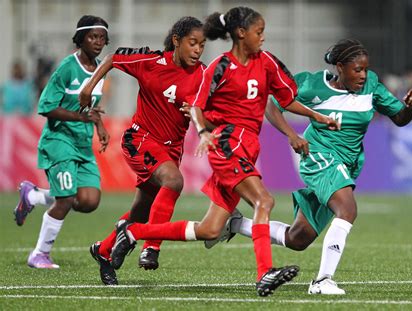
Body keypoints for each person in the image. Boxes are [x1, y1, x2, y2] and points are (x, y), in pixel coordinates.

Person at [109, 6, 339, 297]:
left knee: (210, 229)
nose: (263, 38)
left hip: (249, 146)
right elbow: (197, 106)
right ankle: (264, 273)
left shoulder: (267, 62)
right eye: (259, 32)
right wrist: (204, 131)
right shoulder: (219, 67)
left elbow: (284, 99)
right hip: (228, 145)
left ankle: (135, 232)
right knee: (263, 201)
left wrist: (316, 117)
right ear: (241, 34)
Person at [209, 39, 412, 295]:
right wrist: (291, 135)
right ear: (340, 68)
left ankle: (233, 225)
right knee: (347, 209)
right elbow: (272, 105)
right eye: (357, 70)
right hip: (319, 155)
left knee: (298, 238)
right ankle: (322, 281)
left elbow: (399, 118)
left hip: (348, 163)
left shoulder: (371, 86)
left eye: (365, 69)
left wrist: (409, 108)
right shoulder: (311, 84)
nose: (363, 75)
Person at [79, 16, 207, 285]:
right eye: (192, 43)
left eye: (202, 45)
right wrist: (90, 86)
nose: (197, 50)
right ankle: (151, 246)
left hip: (171, 151)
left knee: (141, 212)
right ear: (176, 41)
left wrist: (200, 114)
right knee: (174, 180)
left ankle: (102, 251)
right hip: (140, 139)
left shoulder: (204, 75)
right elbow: (114, 58)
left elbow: (213, 112)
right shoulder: (150, 61)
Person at [13, 15, 110, 269]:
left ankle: (33, 196)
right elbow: (46, 106)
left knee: (89, 201)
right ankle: (39, 254)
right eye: (92, 37)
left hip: (82, 143)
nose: (98, 42)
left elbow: (93, 106)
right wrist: (82, 117)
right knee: (66, 199)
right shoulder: (68, 67)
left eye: (102, 37)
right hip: (59, 140)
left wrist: (99, 125)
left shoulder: (100, 69)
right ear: (80, 39)